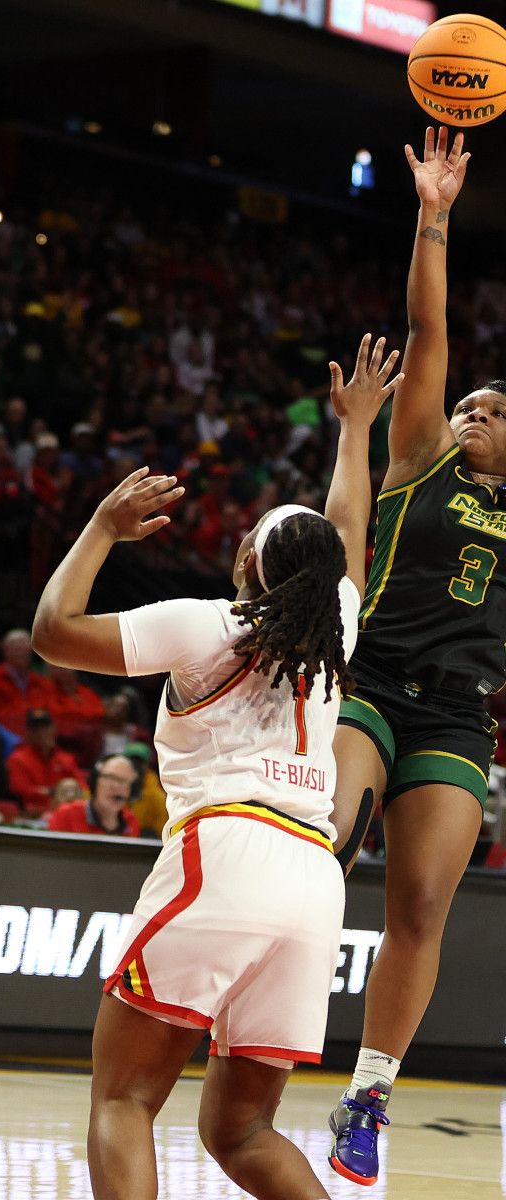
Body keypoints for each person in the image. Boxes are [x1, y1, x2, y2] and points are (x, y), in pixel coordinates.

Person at [30, 335, 399, 1200]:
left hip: (229, 851)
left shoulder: (208, 624)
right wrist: (356, 434)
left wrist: (98, 530)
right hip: (315, 880)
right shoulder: (338, 630)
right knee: (242, 1131)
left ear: (248, 566)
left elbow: (52, 632)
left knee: (124, 1097)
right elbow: (350, 528)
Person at [324, 129, 502, 1187]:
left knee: (424, 906)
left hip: (458, 716)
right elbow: (427, 328)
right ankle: (242, 1021)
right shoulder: (422, 457)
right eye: (467, 404)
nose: (471, 414)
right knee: (326, 845)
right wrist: (434, 214)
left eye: (492, 411)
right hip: (373, 683)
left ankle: (368, 1095)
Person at [5, 708, 87, 816]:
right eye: (37, 729)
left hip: (67, 812)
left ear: (54, 729)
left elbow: (82, 786)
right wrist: (55, 792)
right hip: (34, 815)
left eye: (46, 727)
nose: (43, 732)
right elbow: (22, 790)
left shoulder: (66, 758)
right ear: (29, 733)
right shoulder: (17, 759)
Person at [47, 755, 140, 837]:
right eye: (110, 778)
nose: (116, 787)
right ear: (94, 782)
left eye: (124, 781)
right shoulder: (66, 814)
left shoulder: (130, 821)